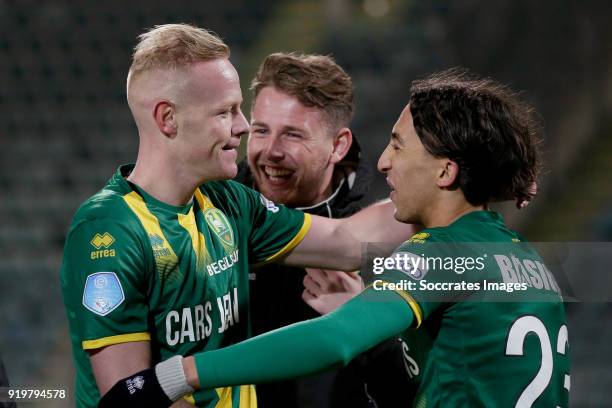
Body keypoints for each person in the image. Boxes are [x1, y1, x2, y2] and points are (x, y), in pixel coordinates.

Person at [103, 68, 570, 408]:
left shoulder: (443, 255)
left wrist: (178, 374)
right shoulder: (525, 260)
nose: (384, 162)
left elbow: (332, 340)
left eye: (398, 145)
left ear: (446, 171)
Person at [59, 24, 411, 408]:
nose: (242, 127)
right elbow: (134, 398)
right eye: (226, 112)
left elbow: (344, 241)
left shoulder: (227, 201)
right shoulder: (109, 231)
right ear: (168, 119)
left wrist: (438, 192)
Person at [236, 52, 412, 407]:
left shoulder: (392, 229)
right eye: (261, 130)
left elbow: (410, 392)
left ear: (338, 145)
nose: (271, 151)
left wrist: (366, 325)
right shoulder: (211, 217)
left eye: (292, 135)